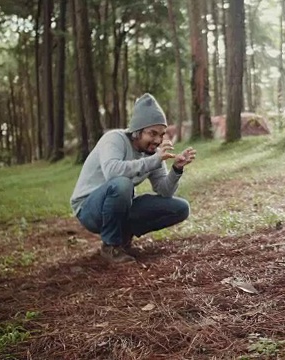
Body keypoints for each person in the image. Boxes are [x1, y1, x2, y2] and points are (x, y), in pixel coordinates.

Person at [70, 93, 197, 263]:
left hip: (120, 204)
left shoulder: (152, 152)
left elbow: (164, 191)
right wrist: (154, 160)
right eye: (153, 134)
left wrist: (176, 169)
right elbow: (112, 172)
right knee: (122, 184)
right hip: (88, 208)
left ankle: (123, 236)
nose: (158, 140)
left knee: (181, 208)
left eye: (161, 134)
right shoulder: (115, 139)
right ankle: (110, 246)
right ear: (137, 131)